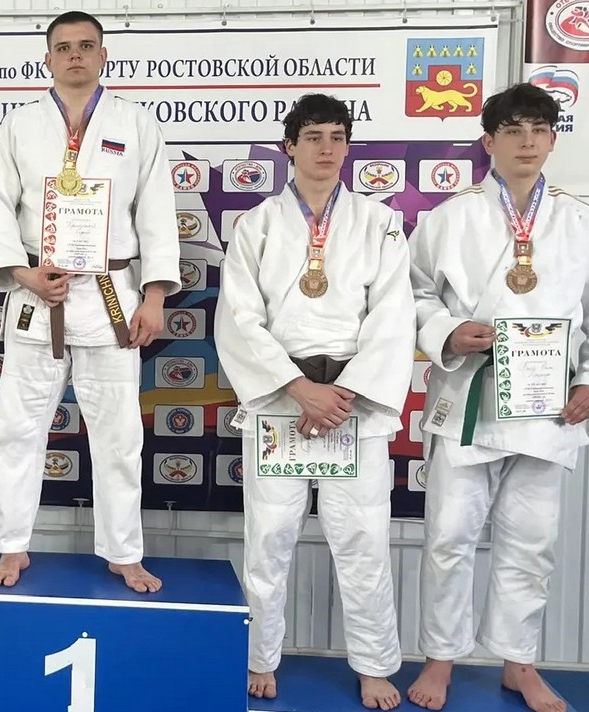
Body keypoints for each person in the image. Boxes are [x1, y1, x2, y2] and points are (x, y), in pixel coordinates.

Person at [406, 83, 589, 712]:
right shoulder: (448, 217)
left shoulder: (582, 222)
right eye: (513, 130)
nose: (527, 141)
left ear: (553, 139)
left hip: (546, 405)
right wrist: (446, 330)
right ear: (489, 141)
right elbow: (412, 294)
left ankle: (519, 662)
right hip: (470, 397)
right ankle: (441, 658)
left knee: (531, 541)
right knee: (448, 537)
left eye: (538, 129)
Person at [215, 93, 415, 710]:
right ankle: (260, 655)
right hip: (283, 399)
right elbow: (239, 318)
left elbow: (393, 315)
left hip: (353, 405)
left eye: (337, 137)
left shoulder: (380, 222)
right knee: (269, 536)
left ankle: (375, 664)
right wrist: (299, 388)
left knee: (362, 538)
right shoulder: (256, 225)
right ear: (289, 147)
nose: (327, 148)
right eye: (313, 137)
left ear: (348, 146)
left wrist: (343, 393)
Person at [0, 11, 180, 593]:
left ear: (103, 56)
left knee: (119, 437)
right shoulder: (19, 126)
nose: (75, 55)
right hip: (36, 293)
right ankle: (12, 546)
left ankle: (124, 552)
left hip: (112, 296)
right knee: (16, 431)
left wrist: (155, 295)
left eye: (86, 46)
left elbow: (157, 213)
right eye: (63, 47)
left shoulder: (135, 123)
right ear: (47, 59)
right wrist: (23, 273)